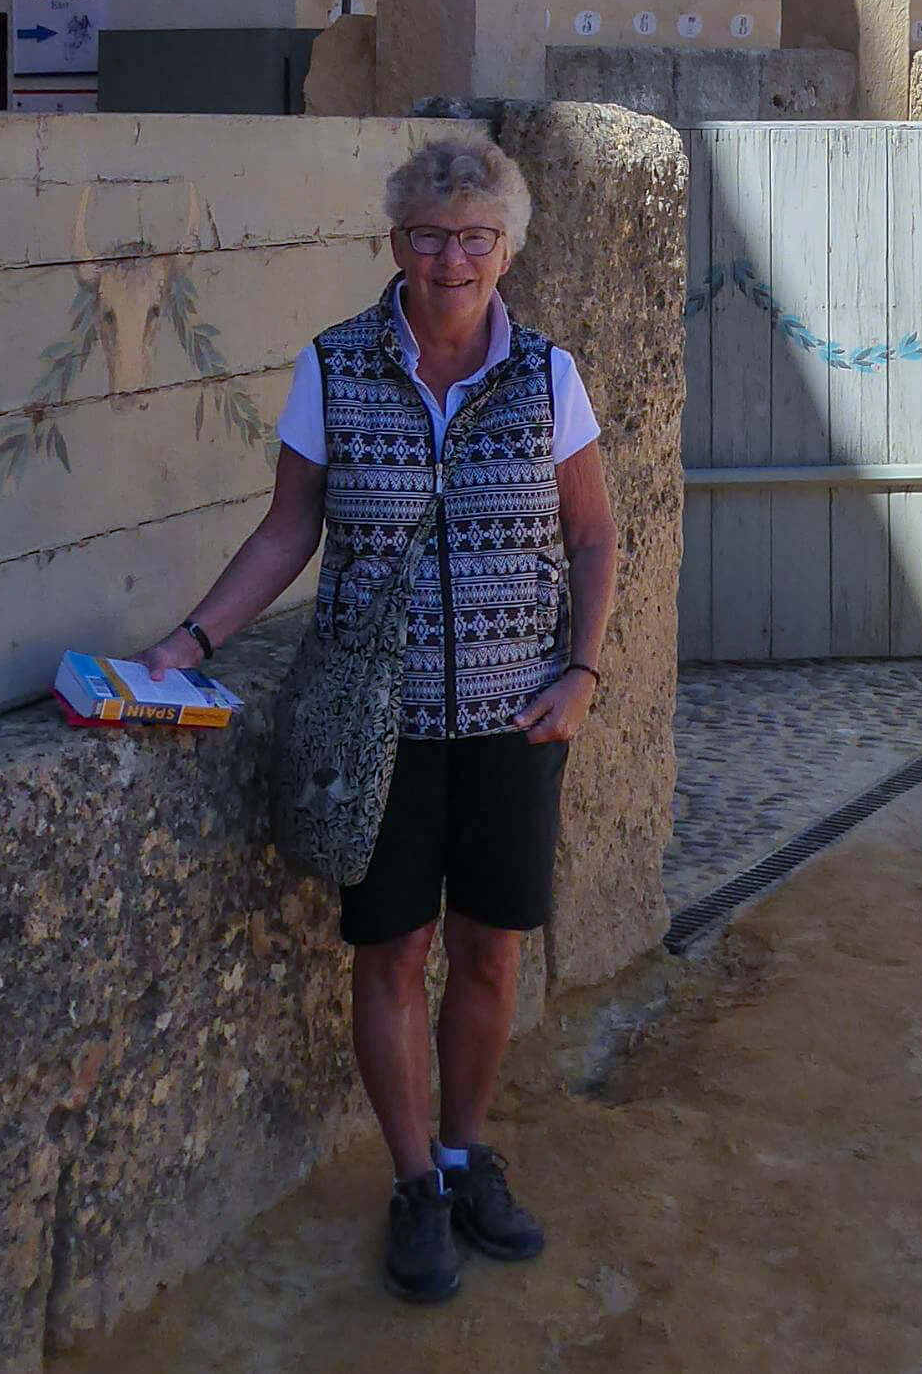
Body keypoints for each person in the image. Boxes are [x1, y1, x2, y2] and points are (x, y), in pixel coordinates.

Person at [136, 137, 617, 1309]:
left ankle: (464, 1152)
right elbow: (286, 530)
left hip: (512, 715)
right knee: (393, 946)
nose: (451, 260)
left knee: (492, 950)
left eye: (474, 238)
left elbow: (595, 534)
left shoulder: (548, 375)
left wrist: (583, 671)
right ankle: (413, 1185)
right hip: (376, 719)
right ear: (394, 243)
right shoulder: (337, 367)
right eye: (427, 236)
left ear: (507, 249)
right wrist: (188, 643)